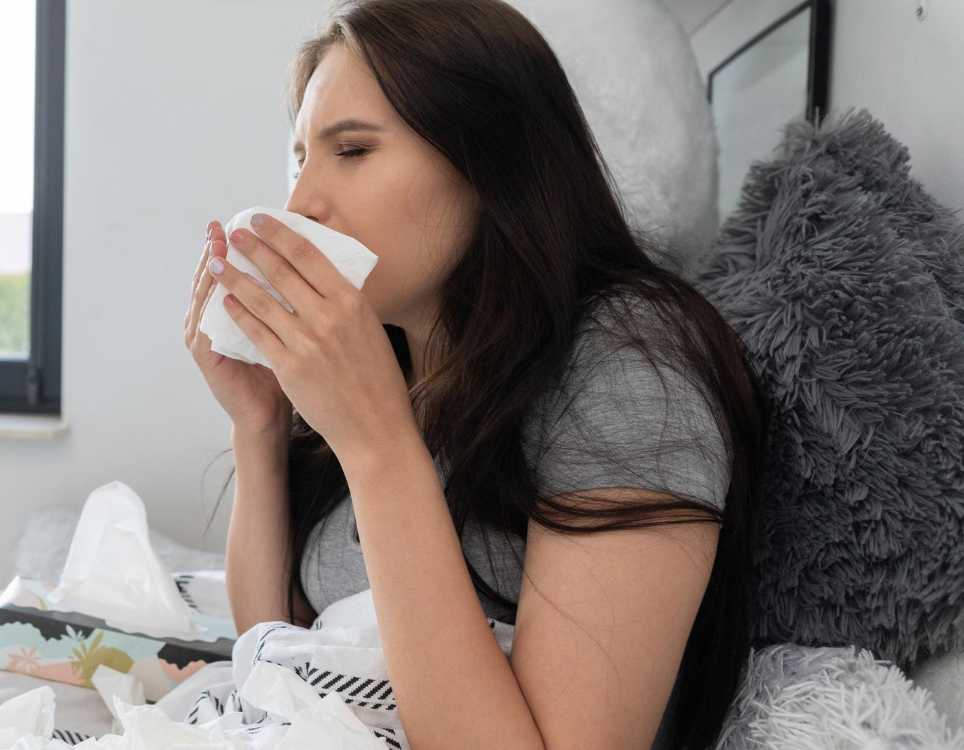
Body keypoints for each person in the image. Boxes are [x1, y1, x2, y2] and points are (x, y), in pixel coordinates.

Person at [182, 1, 767, 749]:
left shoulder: (630, 364)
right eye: (299, 159)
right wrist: (259, 426)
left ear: (490, 156)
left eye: (353, 151)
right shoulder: (397, 362)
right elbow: (281, 659)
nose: (301, 204)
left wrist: (381, 448)